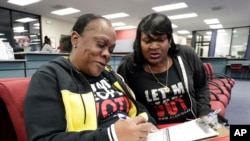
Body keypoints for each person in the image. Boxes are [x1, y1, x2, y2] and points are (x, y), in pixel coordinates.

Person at [24, 13, 157, 141]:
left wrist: (149, 125)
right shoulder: (49, 77)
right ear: (75, 39)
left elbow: (137, 105)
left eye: (111, 50)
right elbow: (44, 138)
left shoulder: (109, 75)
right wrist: (111, 136)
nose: (107, 54)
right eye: (100, 44)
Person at [117, 13, 211, 126]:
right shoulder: (129, 66)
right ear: (139, 42)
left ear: (169, 40)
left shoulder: (186, 55)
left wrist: (204, 115)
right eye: (147, 41)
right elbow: (126, 102)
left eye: (160, 40)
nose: (154, 47)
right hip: (153, 129)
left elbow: (201, 86)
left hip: (191, 122)